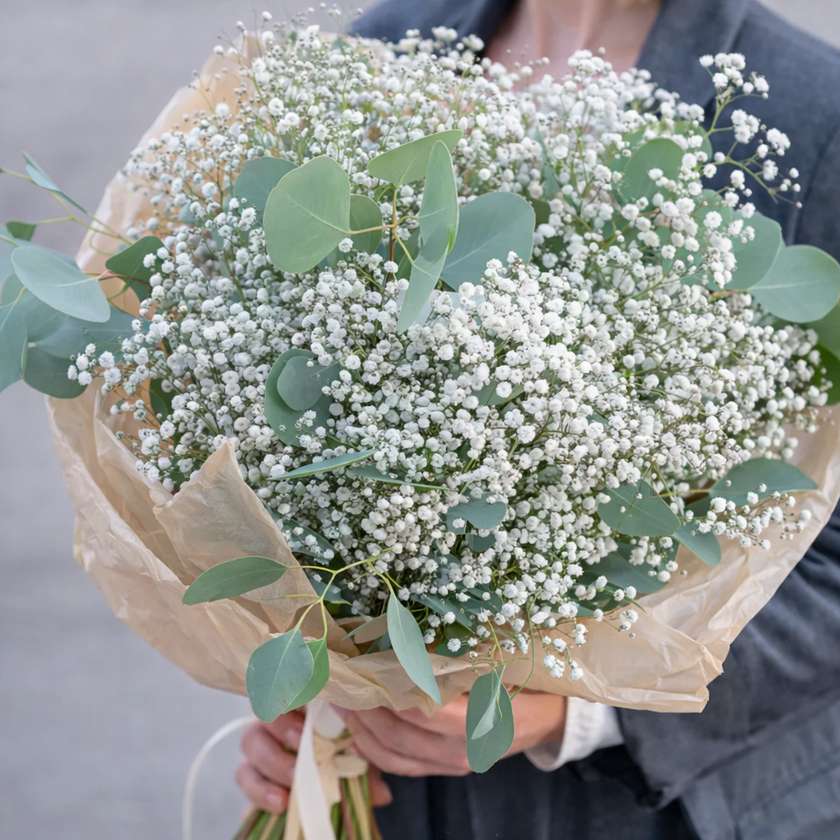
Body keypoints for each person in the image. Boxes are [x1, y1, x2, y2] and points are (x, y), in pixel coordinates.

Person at [236, 1, 840, 837]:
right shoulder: (390, 48)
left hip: (657, 809)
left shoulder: (814, 115)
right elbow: (283, 418)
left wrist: (580, 708)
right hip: (393, 793)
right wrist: (306, 697)